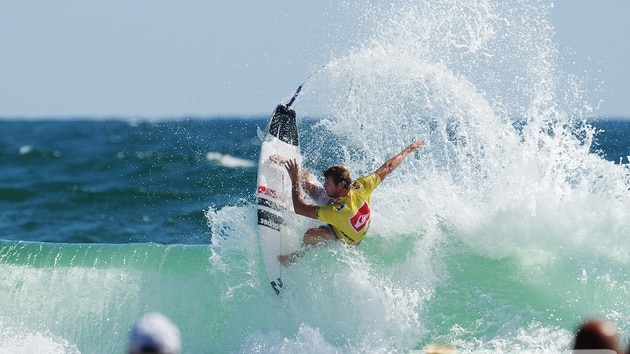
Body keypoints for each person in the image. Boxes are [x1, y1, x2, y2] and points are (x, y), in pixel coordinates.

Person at [278, 140, 425, 265]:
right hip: (344, 213)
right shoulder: (361, 186)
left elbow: (299, 208)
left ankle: (294, 258)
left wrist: (294, 181)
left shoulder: (337, 212)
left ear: (340, 185)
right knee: (307, 182)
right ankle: (288, 165)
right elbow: (388, 167)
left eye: (328, 183)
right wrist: (408, 149)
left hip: (343, 238)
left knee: (310, 234)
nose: (324, 185)